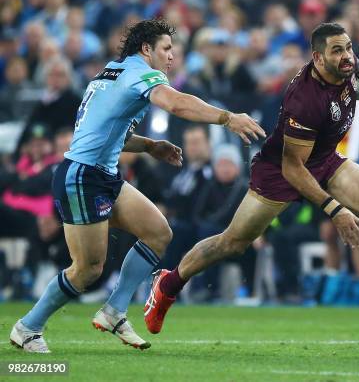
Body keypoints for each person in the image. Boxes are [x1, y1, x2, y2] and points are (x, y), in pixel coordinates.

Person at [144, 23, 359, 335]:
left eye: (349, 48)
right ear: (317, 58)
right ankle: (168, 284)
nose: (348, 57)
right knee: (232, 243)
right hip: (281, 172)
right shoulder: (305, 100)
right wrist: (336, 210)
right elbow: (293, 168)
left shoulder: (351, 72)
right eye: (337, 51)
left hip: (325, 159)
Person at [9, 18, 264, 353]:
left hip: (103, 174)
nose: (172, 57)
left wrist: (148, 146)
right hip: (83, 177)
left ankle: (114, 311)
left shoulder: (111, 73)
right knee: (87, 270)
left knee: (159, 232)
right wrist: (228, 117)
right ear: (147, 50)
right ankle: (28, 326)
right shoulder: (142, 74)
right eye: (167, 49)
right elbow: (176, 103)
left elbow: (103, 130)